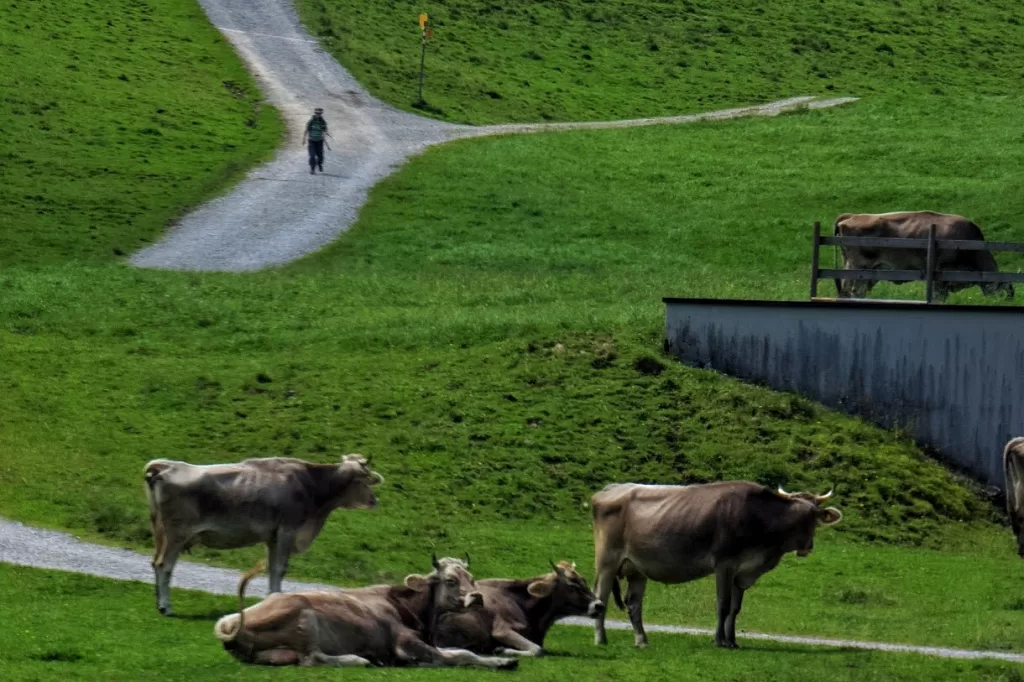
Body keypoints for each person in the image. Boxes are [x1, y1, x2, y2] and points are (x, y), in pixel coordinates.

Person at [302, 107, 332, 174]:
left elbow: (325, 128)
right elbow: (306, 130)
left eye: (319, 113)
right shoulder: (311, 121)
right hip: (311, 140)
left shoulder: (322, 122)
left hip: (319, 141)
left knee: (320, 155)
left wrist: (326, 132)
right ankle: (312, 169)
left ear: (321, 114)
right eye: (317, 113)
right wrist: (304, 139)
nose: (318, 114)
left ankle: (319, 164)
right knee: (312, 155)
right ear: (315, 113)